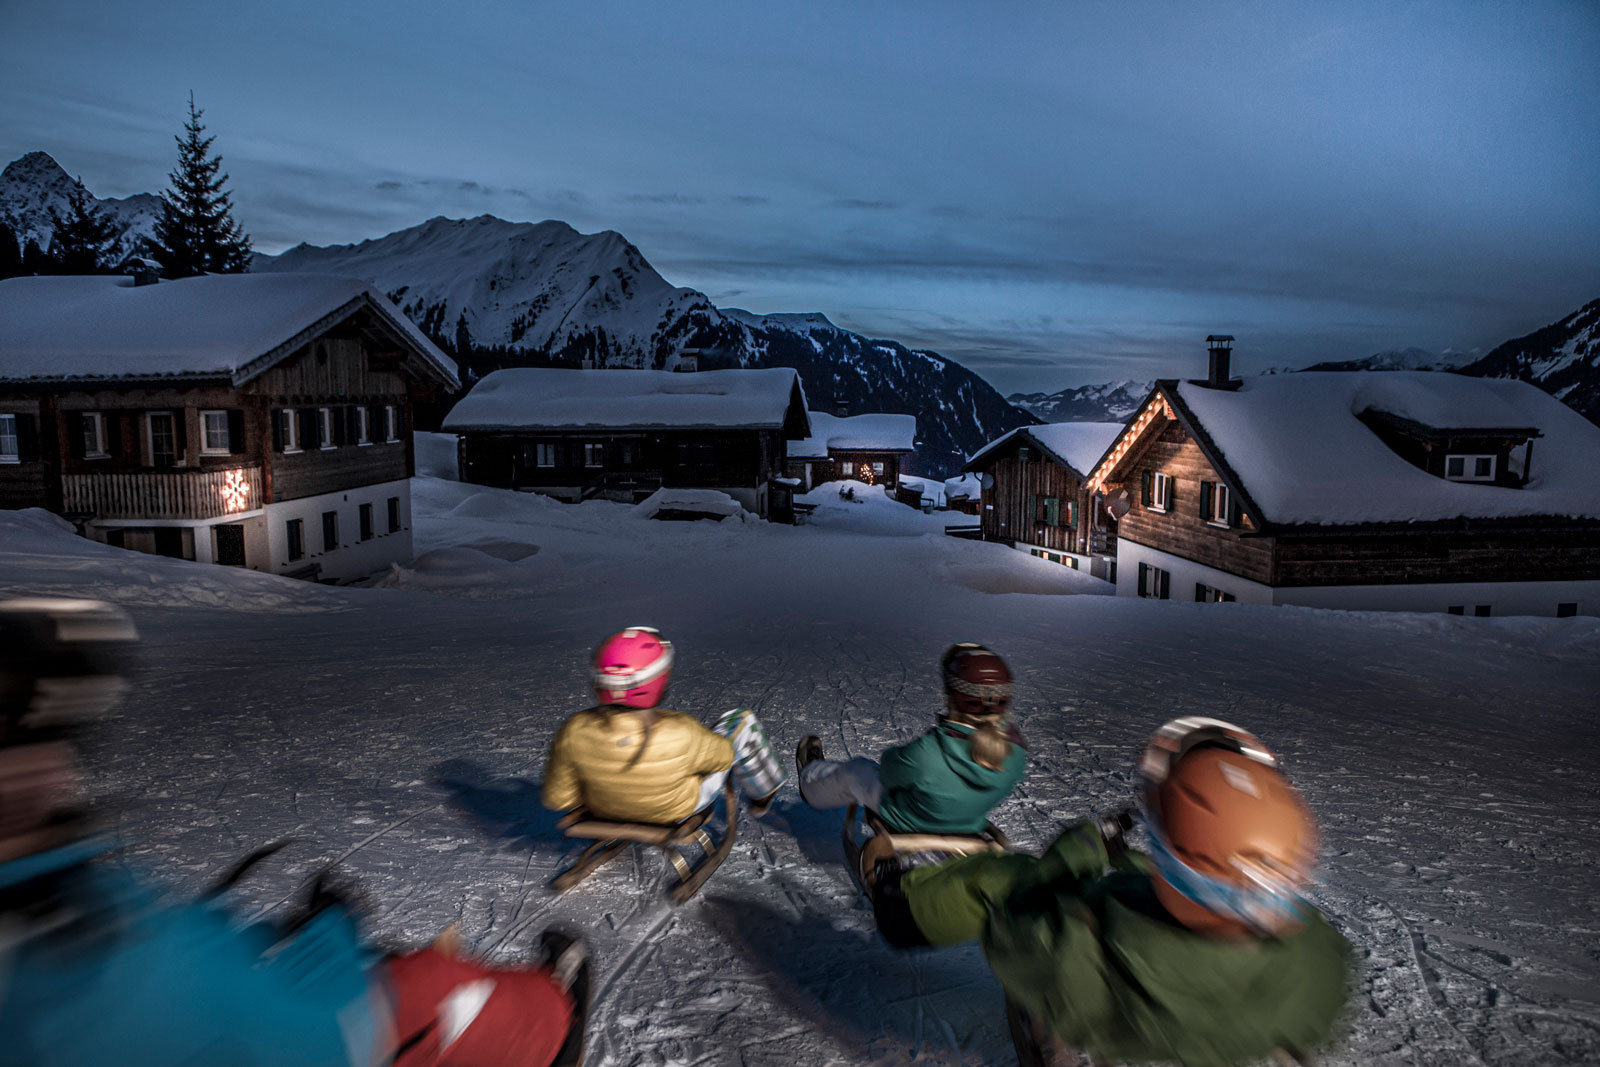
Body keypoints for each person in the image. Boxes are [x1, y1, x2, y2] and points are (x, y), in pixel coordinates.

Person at [0, 597, 588, 1067]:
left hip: (229, 982)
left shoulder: (56, 898)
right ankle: (552, 1023)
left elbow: (185, 952)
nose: (58, 773)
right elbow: (310, 1032)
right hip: (308, 1021)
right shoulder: (61, 954)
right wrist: (329, 937)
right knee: (434, 986)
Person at [874, 716, 1351, 1067]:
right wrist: (1130, 861)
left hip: (1121, 1009)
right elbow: (1200, 887)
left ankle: (905, 905)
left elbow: (1014, 927)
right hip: (1228, 1010)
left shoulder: (1082, 949)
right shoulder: (1316, 956)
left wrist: (1078, 852)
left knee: (1006, 878)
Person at [542, 626, 779, 824]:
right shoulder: (680, 730)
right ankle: (762, 797)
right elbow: (724, 757)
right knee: (741, 722)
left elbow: (558, 799)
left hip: (604, 808)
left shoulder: (574, 729)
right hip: (675, 809)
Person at [795, 643, 1026, 835]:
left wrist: (899, 759)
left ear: (954, 697)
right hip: (968, 821)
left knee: (858, 771)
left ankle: (810, 782)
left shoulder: (932, 751)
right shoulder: (1017, 750)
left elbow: (889, 773)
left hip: (909, 818)